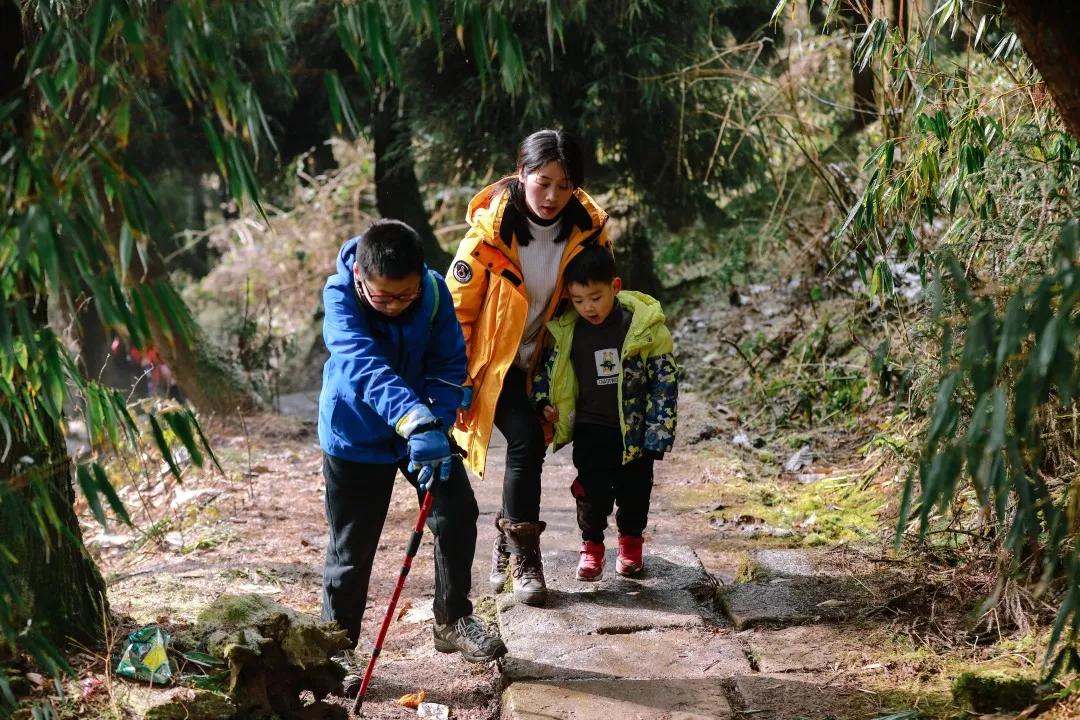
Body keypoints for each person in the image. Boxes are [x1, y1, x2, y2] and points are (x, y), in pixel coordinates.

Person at [317, 219, 506, 695]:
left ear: (420, 275)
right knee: (351, 548)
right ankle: (336, 649)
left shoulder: (435, 292)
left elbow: (447, 364)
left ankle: (452, 620)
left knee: (458, 512)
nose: (396, 306)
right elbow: (363, 365)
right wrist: (415, 419)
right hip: (355, 436)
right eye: (383, 298)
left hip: (421, 432)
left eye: (406, 296)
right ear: (361, 275)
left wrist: (437, 423)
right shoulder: (340, 296)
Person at [446, 129, 612, 606]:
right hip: (491, 364)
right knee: (522, 440)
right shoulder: (487, 237)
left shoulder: (588, 232)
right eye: (543, 182)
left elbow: (593, 297)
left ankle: (505, 543)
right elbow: (457, 312)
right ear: (520, 175)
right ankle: (526, 561)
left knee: (531, 441)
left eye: (565, 185)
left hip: (543, 362)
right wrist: (455, 377)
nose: (553, 196)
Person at [533, 245, 678, 580]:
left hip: (634, 431)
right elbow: (548, 372)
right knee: (591, 492)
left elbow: (664, 382)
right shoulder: (567, 330)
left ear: (615, 286)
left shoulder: (643, 327)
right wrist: (543, 402)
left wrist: (658, 432)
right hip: (590, 428)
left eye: (596, 297)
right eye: (579, 300)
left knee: (635, 491)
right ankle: (592, 548)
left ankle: (630, 546)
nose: (588, 307)